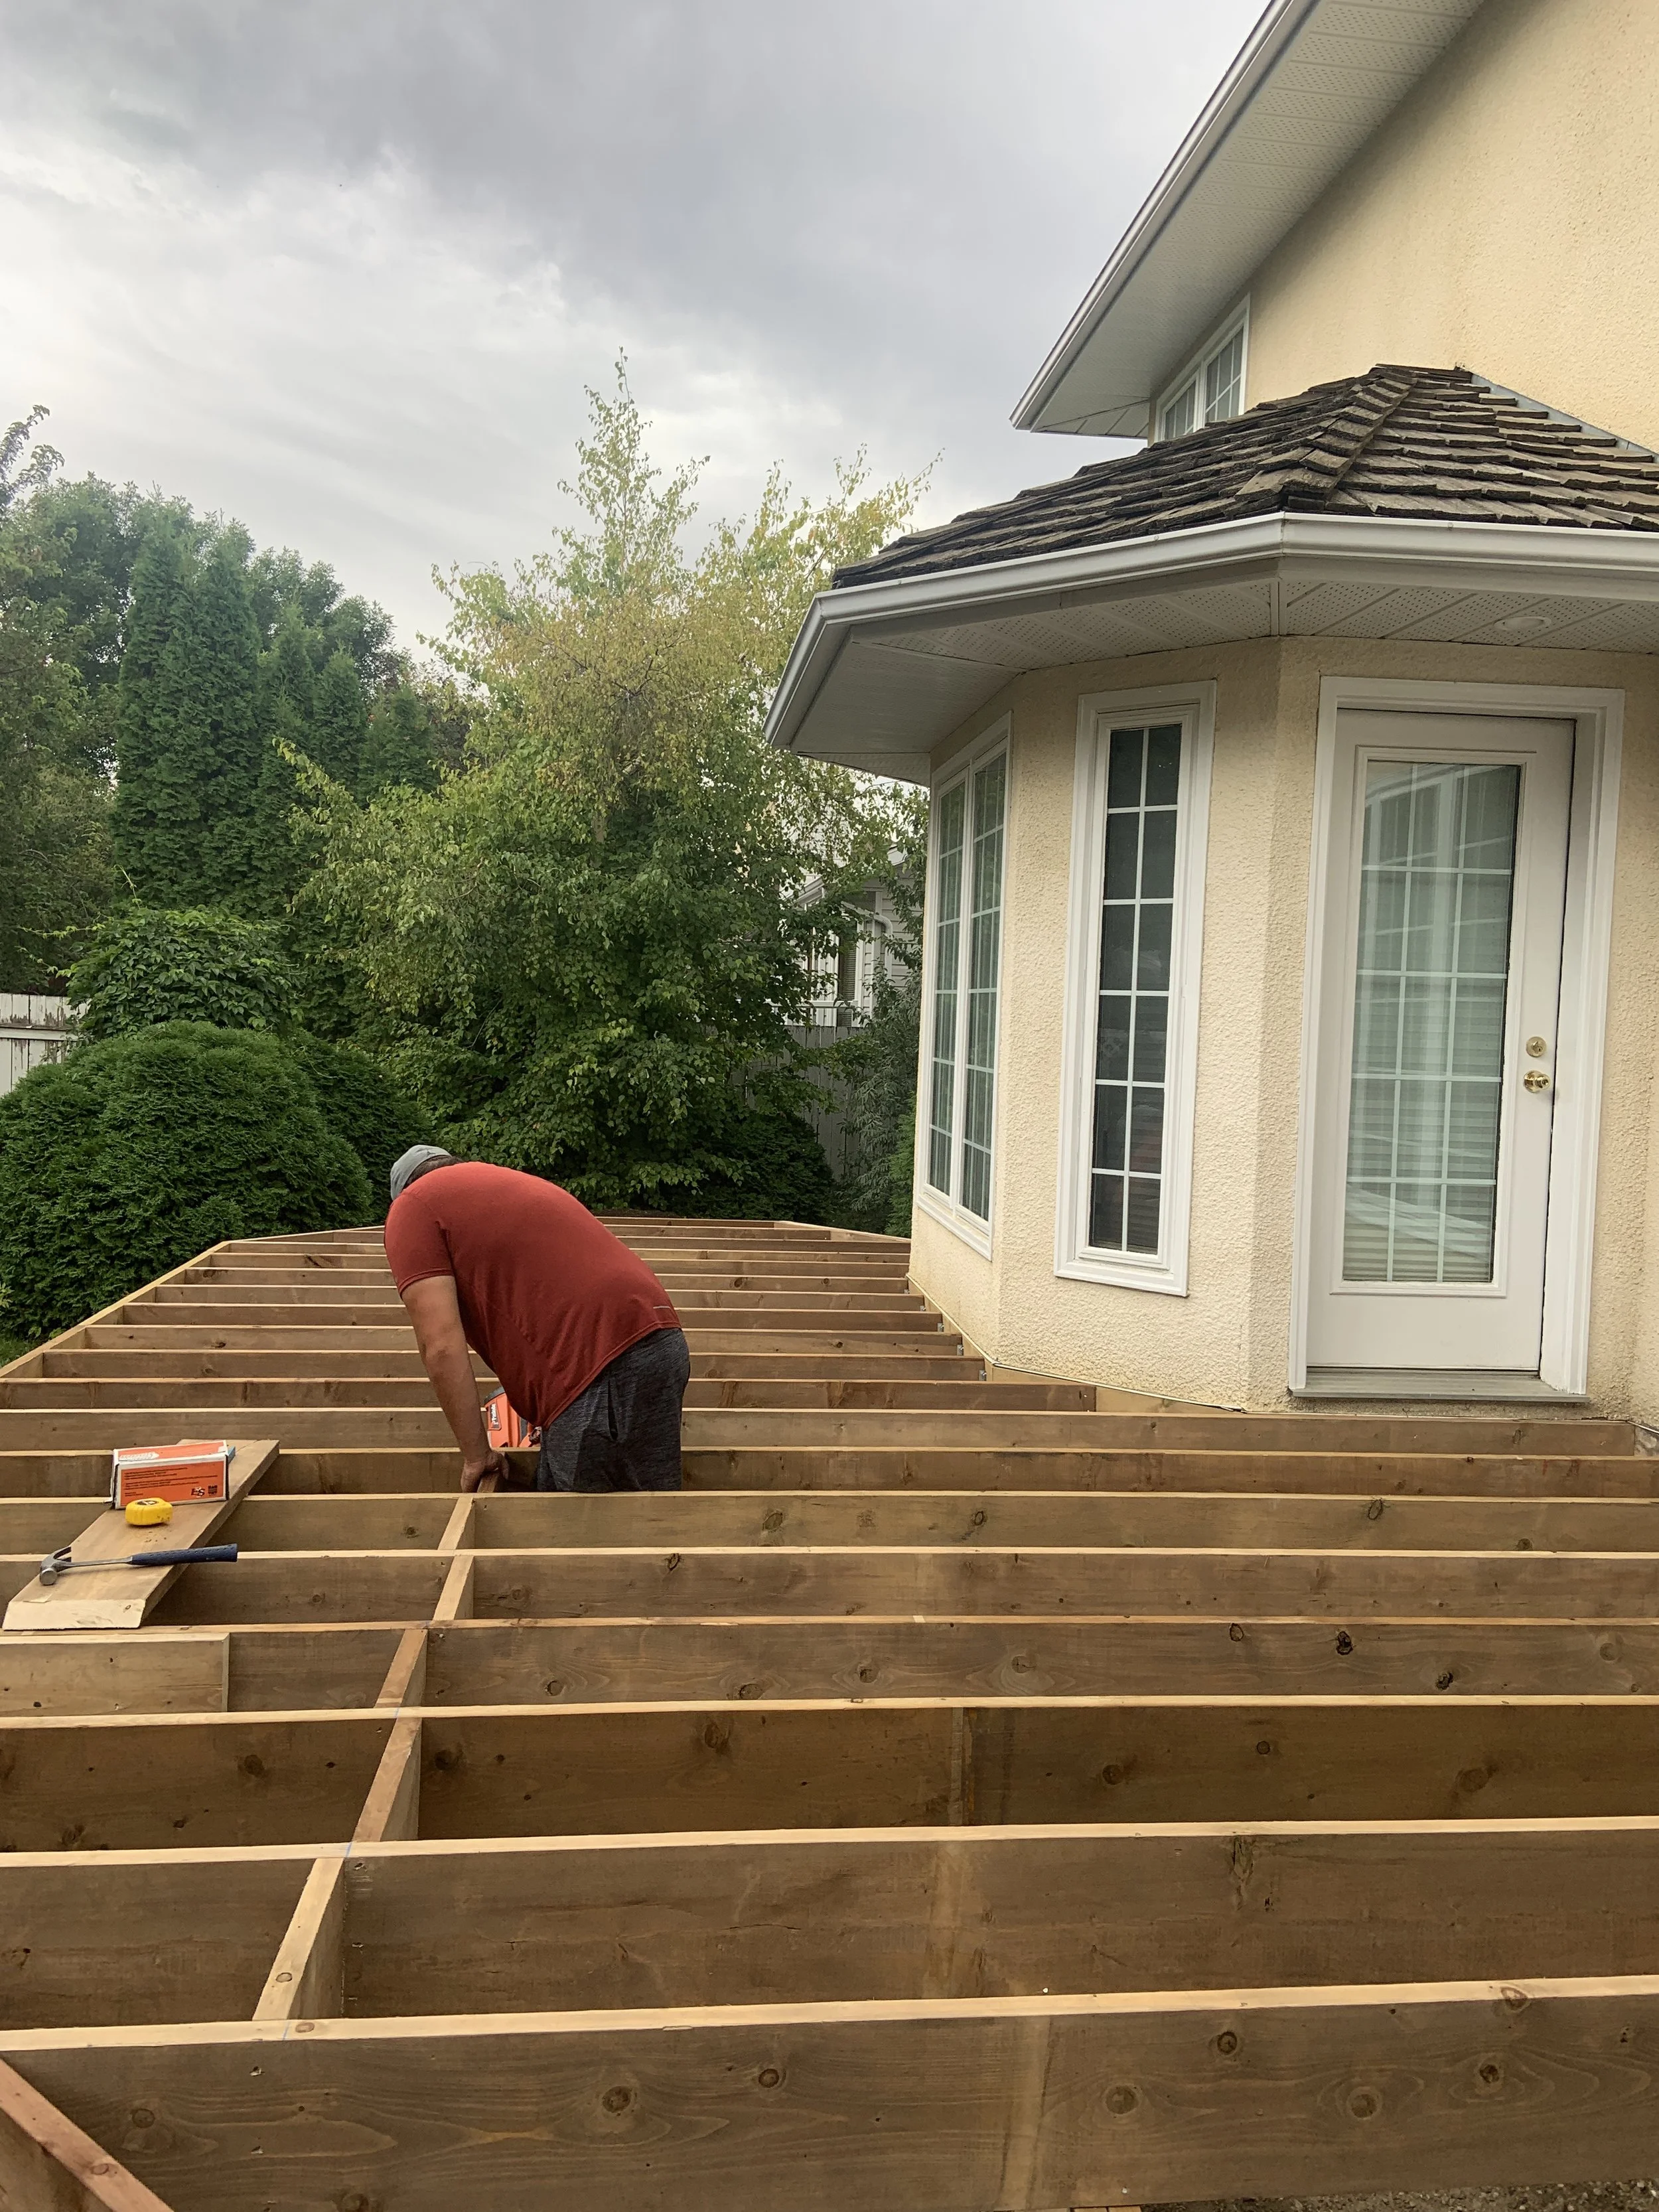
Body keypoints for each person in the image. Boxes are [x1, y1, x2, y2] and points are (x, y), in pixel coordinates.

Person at [382, 1146, 689, 1493]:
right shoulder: (503, 1180)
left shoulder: (412, 1208)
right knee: (654, 1518)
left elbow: (440, 1347)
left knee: (575, 1535)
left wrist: (477, 1456)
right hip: (659, 1338)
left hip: (597, 1364)